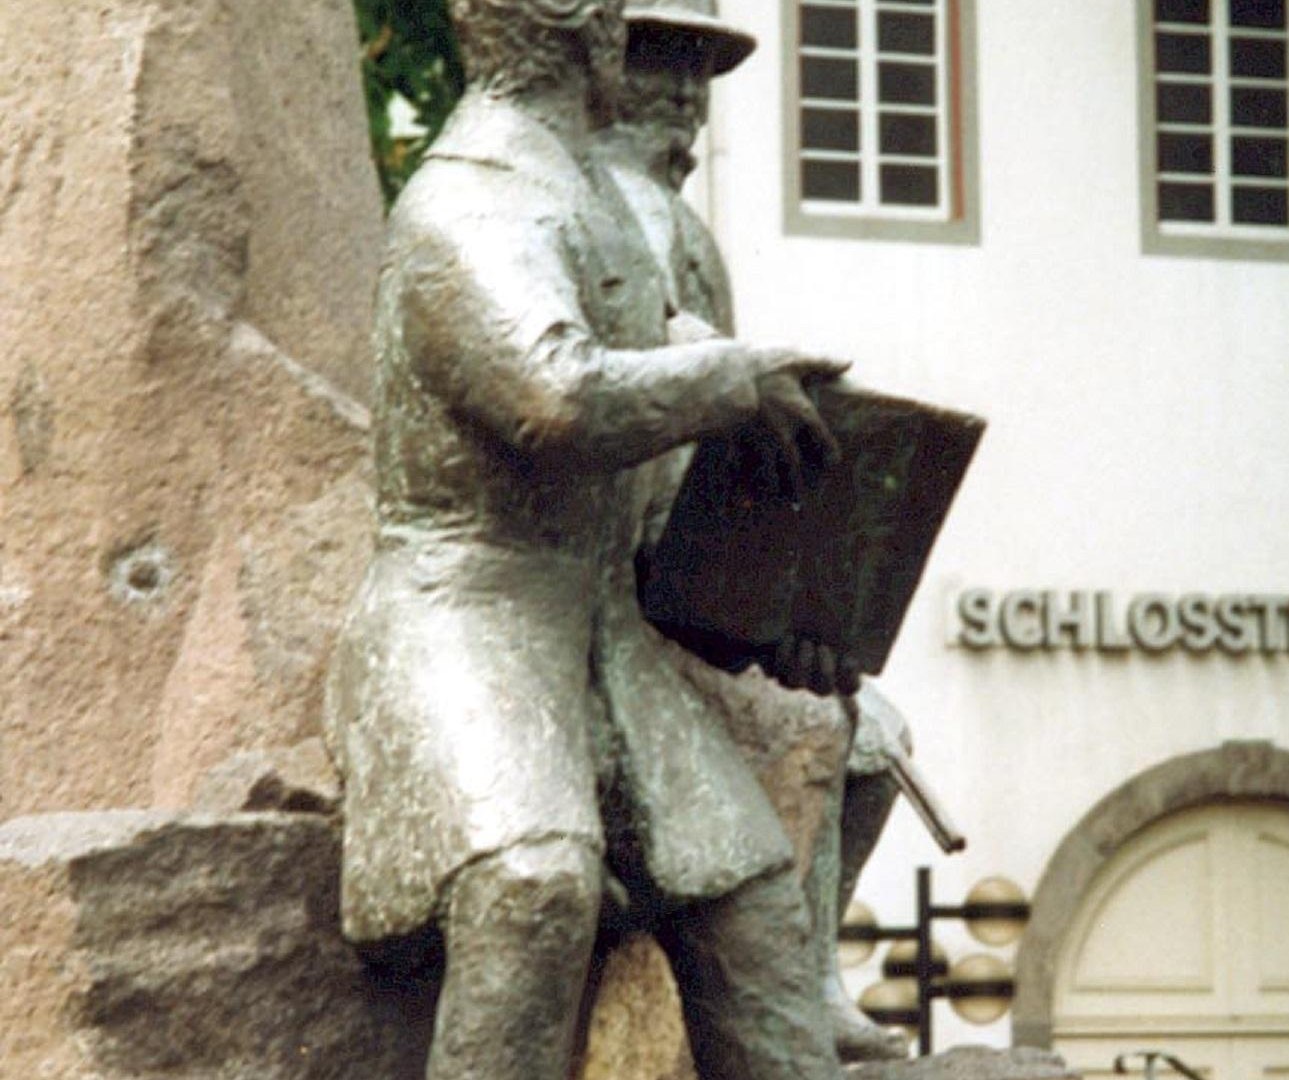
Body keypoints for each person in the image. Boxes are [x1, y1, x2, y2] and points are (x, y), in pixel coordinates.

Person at [322, 1, 851, 1076]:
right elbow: (554, 398)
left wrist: (776, 613)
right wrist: (729, 378)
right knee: (534, 886)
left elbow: (660, 459)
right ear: (593, 42)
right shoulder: (473, 199)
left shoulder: (595, 204)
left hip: (602, 631)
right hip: (468, 611)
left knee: (750, 900)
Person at [593, 1, 913, 1060]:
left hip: (686, 594)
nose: (685, 108)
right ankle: (796, 987)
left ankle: (817, 970)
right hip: (599, 602)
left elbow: (722, 468)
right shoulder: (589, 212)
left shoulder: (683, 232)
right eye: (660, 76)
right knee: (825, 727)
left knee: (869, 729)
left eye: (698, 83)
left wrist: (781, 607)